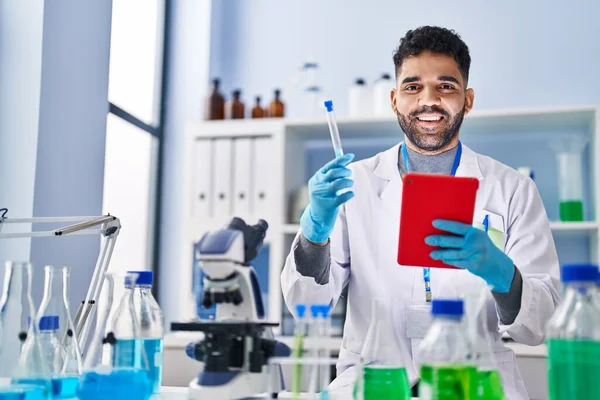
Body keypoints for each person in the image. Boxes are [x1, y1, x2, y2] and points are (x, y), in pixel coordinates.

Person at [280, 26, 560, 400]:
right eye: (413, 87)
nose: (429, 100)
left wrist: (502, 272)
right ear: (394, 99)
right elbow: (306, 306)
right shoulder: (355, 184)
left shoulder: (511, 189)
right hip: (373, 384)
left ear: (468, 99)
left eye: (446, 86)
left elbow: (539, 326)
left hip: (476, 385)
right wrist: (315, 231)